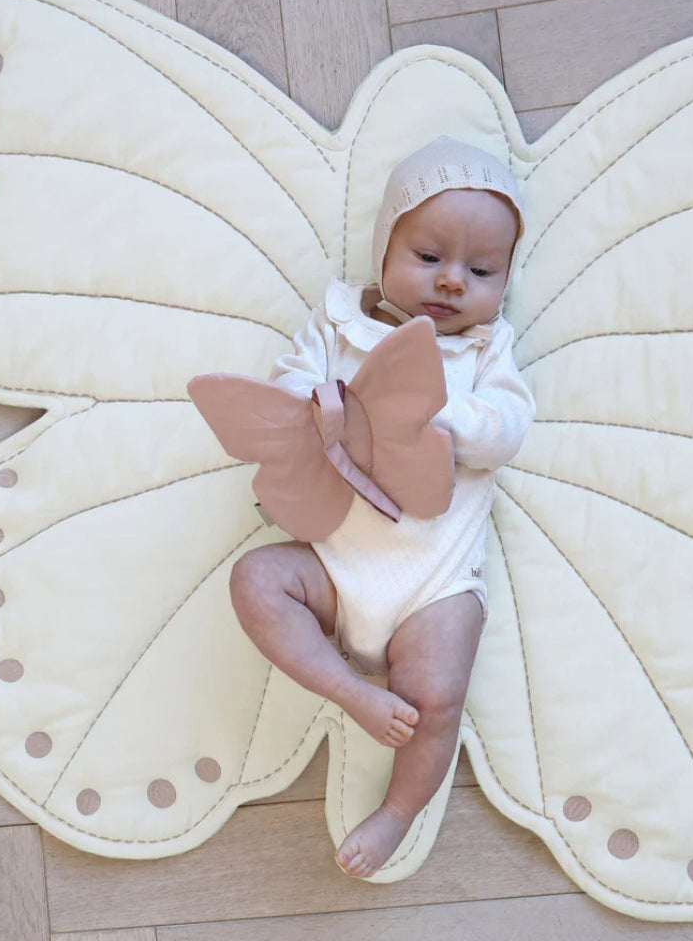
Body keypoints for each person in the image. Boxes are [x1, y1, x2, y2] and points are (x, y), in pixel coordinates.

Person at [228, 136, 535, 877]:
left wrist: (442, 414)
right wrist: (321, 403)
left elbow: (506, 430)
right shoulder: (338, 325)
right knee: (255, 579)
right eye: (429, 256)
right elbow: (290, 383)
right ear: (385, 249)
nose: (453, 281)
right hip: (333, 566)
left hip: (433, 584)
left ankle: (399, 810)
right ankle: (350, 692)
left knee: (438, 695)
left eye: (482, 271)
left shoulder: (484, 351)